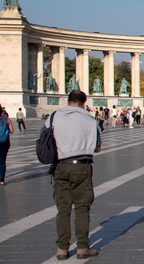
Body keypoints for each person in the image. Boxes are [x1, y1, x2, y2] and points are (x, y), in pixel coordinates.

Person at [47, 90, 101, 260]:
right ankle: (82, 247)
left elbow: (45, 140)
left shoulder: (54, 117)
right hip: (81, 167)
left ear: (68, 101)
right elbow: (97, 147)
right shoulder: (89, 119)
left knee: (62, 209)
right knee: (82, 208)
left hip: (60, 166)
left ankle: (62, 249)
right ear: (84, 103)